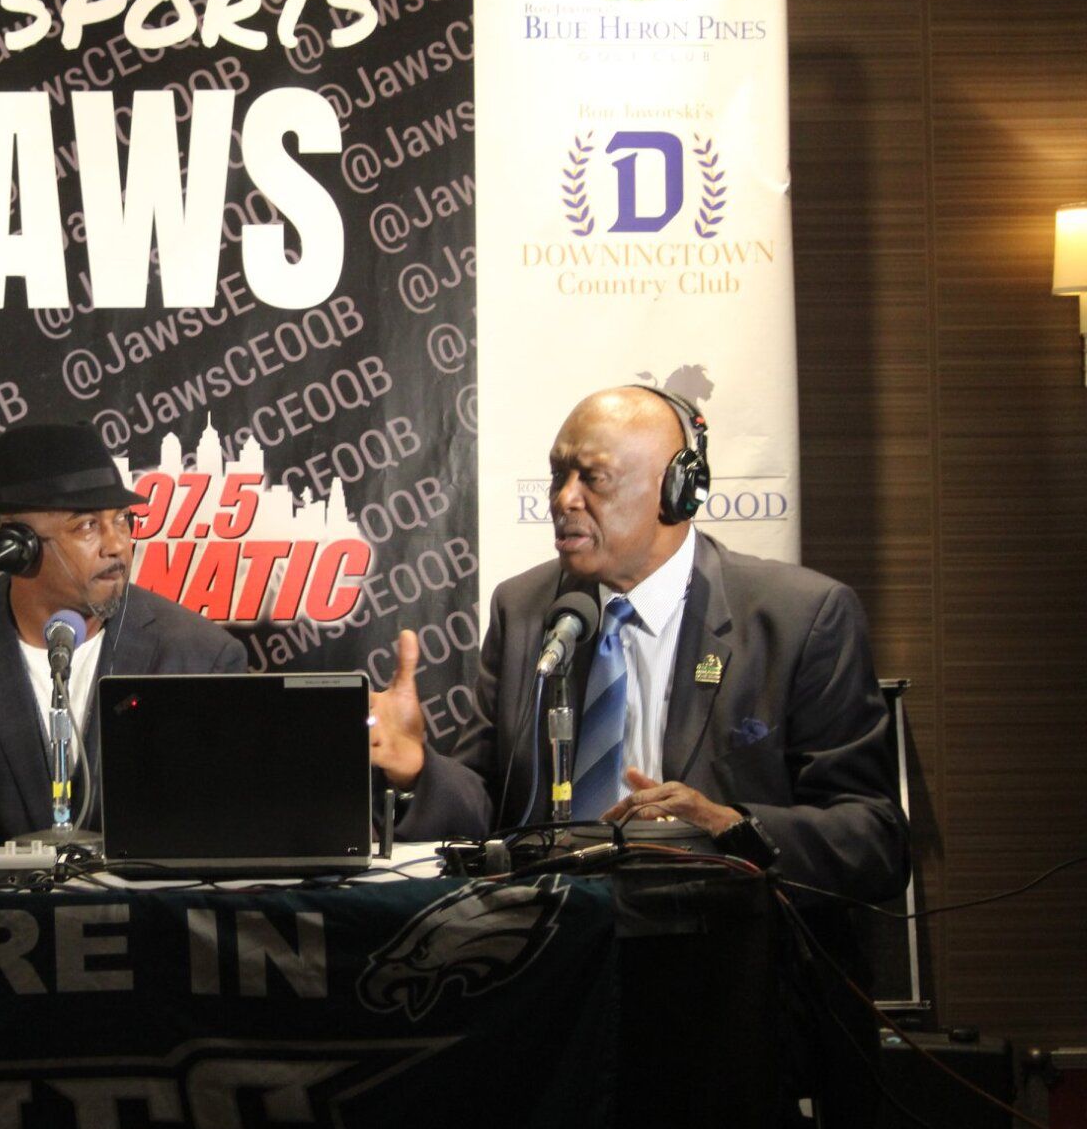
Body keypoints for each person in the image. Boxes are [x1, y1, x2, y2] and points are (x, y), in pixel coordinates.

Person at [374, 385, 907, 901]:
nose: (564, 498)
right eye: (559, 473)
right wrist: (421, 769)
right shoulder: (525, 609)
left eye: (594, 478)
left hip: (723, 944)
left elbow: (873, 838)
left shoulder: (799, 617)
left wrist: (728, 827)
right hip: (553, 943)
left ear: (676, 491)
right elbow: (494, 803)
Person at [0, 423, 248, 843]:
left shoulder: (200, 659)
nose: (117, 545)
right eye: (87, 527)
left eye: (122, 521)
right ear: (18, 547)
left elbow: (218, 849)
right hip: (4, 911)